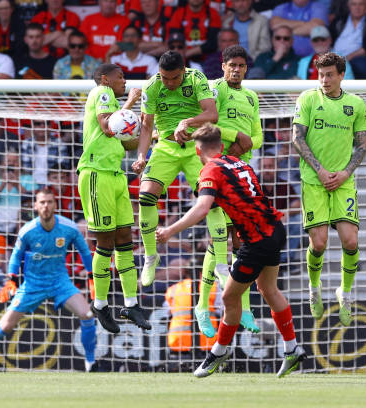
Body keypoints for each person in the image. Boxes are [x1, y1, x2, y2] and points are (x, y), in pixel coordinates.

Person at [156, 123, 306, 378]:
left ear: (197, 150)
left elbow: (203, 208)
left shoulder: (210, 171)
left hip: (257, 240)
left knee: (228, 298)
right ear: (222, 146)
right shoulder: (239, 163)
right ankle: (292, 349)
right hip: (274, 229)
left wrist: (170, 230)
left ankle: (218, 352)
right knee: (268, 289)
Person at [0, 187, 98, 372]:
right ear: (35, 206)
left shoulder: (69, 228)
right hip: (33, 284)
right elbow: (16, 256)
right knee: (6, 325)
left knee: (87, 315)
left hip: (60, 282)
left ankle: (91, 364)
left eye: (49, 202)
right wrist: (12, 280)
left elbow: (85, 252)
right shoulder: (28, 231)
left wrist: (91, 278)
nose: (46, 206)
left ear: (55, 204)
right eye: (42, 202)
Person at [131, 51, 223, 291]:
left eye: (174, 78)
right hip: (166, 147)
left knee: (213, 202)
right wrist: (141, 156)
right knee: (145, 195)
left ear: (183, 71)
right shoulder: (151, 86)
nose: (169, 83)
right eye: (164, 78)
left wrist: (187, 122)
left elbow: (211, 114)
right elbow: (146, 125)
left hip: (196, 147)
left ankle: (221, 263)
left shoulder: (196, 79)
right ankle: (151, 256)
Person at [292, 52, 366, 326]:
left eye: (329, 74)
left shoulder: (355, 104)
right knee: (319, 243)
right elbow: (297, 138)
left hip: (343, 181)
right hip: (314, 181)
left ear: (341, 75)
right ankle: (314, 289)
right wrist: (321, 171)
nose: (324, 80)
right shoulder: (309, 98)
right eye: (320, 74)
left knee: (350, 241)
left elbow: (361, 145)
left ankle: (344, 292)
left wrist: (345, 172)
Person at [195, 45, 262, 339]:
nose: (236, 69)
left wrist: (247, 143)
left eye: (241, 65)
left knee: (240, 242)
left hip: (240, 172)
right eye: (231, 65)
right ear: (222, 66)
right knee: (220, 238)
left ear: (246, 68)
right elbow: (209, 122)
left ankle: (241, 306)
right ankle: (203, 306)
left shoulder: (251, 96)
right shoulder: (214, 90)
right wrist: (236, 137)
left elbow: (258, 135)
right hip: (217, 168)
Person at [77, 63, 150, 334]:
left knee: (125, 241)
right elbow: (108, 127)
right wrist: (130, 102)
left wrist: (150, 134)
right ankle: (100, 303)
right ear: (106, 79)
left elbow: (126, 142)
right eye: (121, 78)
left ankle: (131, 304)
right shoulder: (102, 93)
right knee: (105, 241)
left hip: (116, 175)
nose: (125, 82)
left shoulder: (117, 110)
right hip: (96, 174)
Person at [330, 0, 366, 79]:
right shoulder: (339, 21)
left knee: (362, 65)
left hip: (357, 58)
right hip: (334, 56)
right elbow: (329, 39)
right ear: (349, 6)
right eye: (354, 4)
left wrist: (347, 58)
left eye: (361, 4)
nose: (357, 7)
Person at [20, 119, 70, 186]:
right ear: (32, 126)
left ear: (51, 126)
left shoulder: (59, 143)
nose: (42, 126)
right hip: (31, 184)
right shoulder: (27, 144)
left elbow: (63, 169)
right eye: (38, 124)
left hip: (54, 184)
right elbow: (26, 169)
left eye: (46, 123)